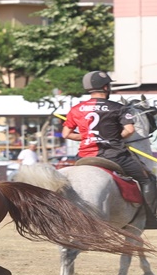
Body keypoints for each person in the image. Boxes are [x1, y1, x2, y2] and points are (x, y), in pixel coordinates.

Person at [62, 70, 156, 211]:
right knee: (146, 179)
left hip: (85, 155)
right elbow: (130, 130)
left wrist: (90, 136)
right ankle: (152, 215)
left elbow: (66, 134)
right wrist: (112, 137)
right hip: (114, 154)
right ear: (106, 87)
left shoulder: (76, 109)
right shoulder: (118, 108)